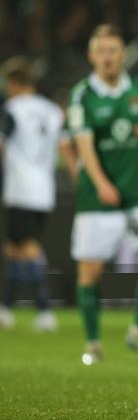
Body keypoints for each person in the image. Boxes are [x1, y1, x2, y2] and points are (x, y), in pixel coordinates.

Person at [67, 24, 138, 364]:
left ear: (123, 54)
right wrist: (101, 184)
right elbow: (84, 146)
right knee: (90, 273)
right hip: (97, 198)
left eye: (113, 50)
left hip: (136, 195)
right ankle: (93, 343)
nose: (107, 57)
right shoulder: (82, 95)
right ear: (91, 55)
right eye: (101, 51)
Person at [0, 57, 77, 331]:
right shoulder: (52, 111)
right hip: (44, 190)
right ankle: (6, 309)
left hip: (20, 188)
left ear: (14, 83)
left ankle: (45, 310)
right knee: (12, 248)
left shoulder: (12, 109)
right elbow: (66, 147)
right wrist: (77, 177)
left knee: (28, 249)